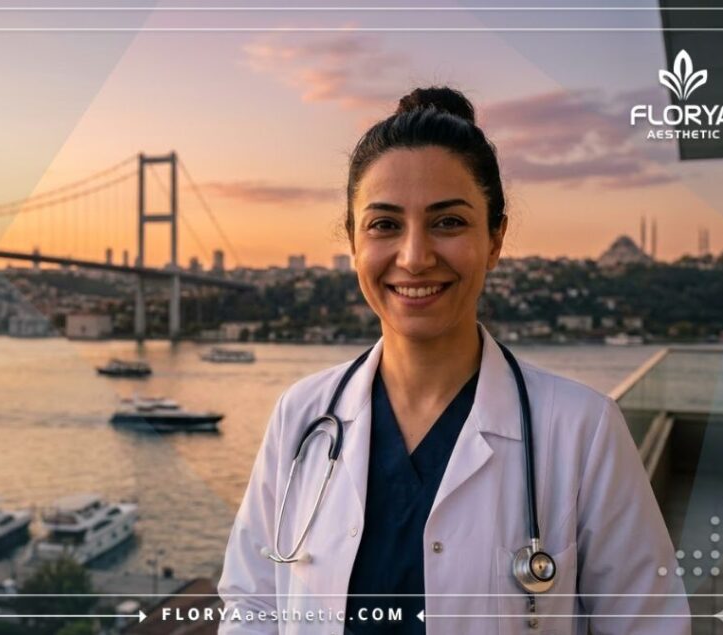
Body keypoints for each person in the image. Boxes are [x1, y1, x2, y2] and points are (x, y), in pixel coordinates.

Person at [217, 87, 691, 634]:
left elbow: (649, 626)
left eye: (448, 222)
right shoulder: (300, 416)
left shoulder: (583, 430)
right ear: (352, 242)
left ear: (495, 239)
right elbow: (251, 606)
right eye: (384, 224)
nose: (415, 257)